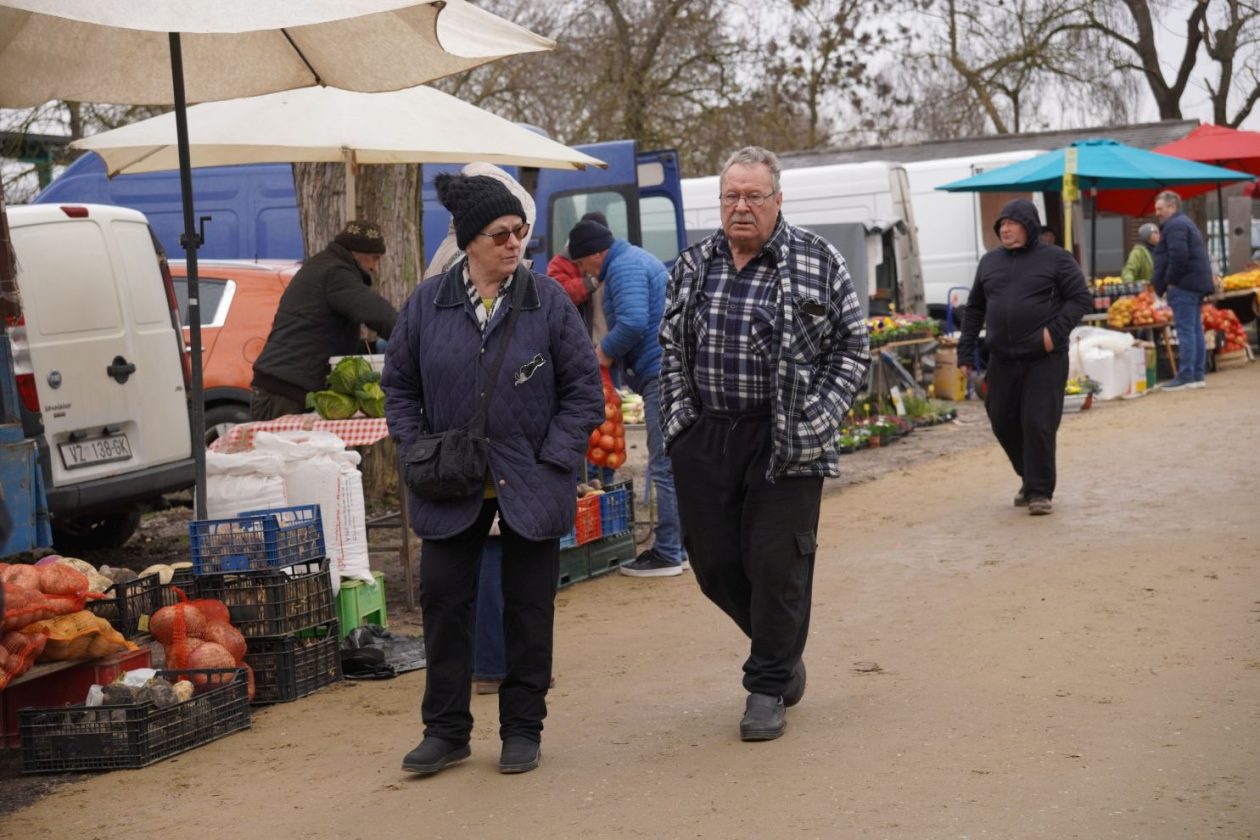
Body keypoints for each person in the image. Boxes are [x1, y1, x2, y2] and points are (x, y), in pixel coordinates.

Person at [383, 172, 604, 777]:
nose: (515, 244)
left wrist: (555, 460)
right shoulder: (427, 304)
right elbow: (398, 386)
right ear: (468, 241)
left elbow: (585, 393)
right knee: (444, 604)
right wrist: (413, 445)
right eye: (501, 234)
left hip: (530, 481)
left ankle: (522, 728)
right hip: (450, 483)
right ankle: (447, 731)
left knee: (528, 609)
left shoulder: (548, 302)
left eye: (520, 232)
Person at [659, 146, 870, 742]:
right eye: (732, 196)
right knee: (714, 564)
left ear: (778, 201)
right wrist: (680, 424)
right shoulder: (694, 264)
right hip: (708, 437)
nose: (742, 206)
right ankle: (781, 653)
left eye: (755, 196)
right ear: (720, 202)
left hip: (785, 439)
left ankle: (767, 686)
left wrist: (817, 422)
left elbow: (852, 348)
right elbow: (670, 349)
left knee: (778, 565)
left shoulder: (817, 259)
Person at [957, 199, 1092, 517]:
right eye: (1001, 225)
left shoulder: (1056, 259)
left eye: (1011, 223)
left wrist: (1053, 334)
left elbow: (1080, 298)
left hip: (1043, 358)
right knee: (1003, 422)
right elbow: (975, 308)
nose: (1004, 229)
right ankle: (1030, 476)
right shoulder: (989, 262)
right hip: (1002, 359)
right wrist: (965, 351)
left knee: (1037, 423)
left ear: (1029, 226)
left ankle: (1040, 492)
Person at [567, 218, 684, 577]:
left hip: (659, 371)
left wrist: (604, 351)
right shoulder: (633, 260)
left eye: (583, 262)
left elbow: (633, 322)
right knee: (674, 462)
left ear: (597, 253)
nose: (584, 270)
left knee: (664, 465)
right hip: (666, 368)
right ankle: (679, 544)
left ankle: (668, 552)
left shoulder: (624, 267)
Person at [251, 220, 397, 421]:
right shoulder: (335, 273)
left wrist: (367, 348)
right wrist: (415, 340)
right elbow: (379, 315)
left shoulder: (324, 266)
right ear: (356, 251)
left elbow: (321, 331)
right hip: (285, 391)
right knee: (289, 452)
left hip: (285, 385)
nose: (374, 267)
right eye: (374, 258)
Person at [1152, 190, 1215, 390]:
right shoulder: (1184, 223)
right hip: (1195, 283)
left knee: (1186, 330)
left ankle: (1187, 374)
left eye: (1160, 209)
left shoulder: (1175, 225)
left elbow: (1178, 255)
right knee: (1195, 329)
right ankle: (1197, 374)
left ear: (1172, 207)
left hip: (1184, 285)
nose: (1157, 213)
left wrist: (1170, 281)